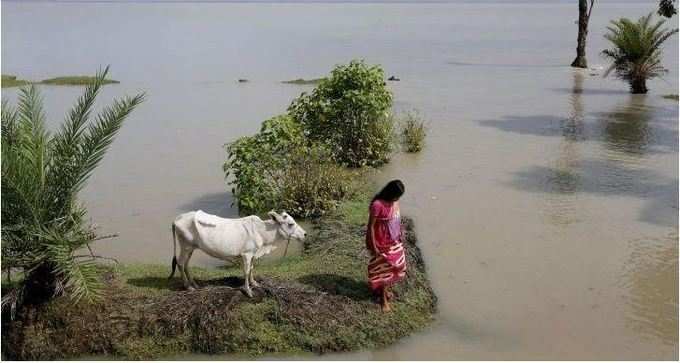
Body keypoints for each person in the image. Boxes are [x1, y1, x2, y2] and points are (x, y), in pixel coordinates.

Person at [366, 179, 406, 312]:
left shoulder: (395, 203)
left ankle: (383, 291)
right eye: (396, 195)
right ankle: (383, 300)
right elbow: (371, 227)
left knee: (397, 266)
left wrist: (400, 234)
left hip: (394, 241)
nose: (397, 198)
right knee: (384, 271)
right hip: (381, 243)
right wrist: (374, 246)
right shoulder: (377, 205)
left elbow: (397, 219)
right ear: (390, 193)